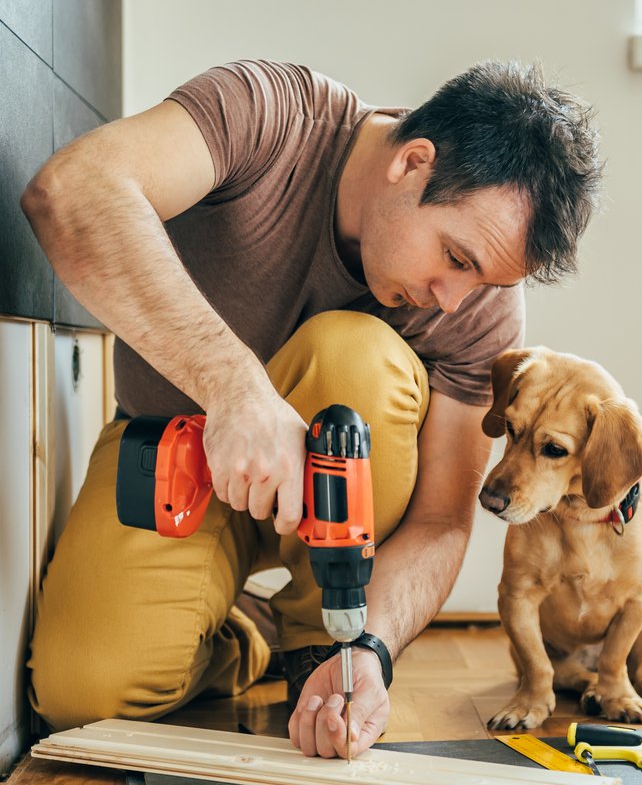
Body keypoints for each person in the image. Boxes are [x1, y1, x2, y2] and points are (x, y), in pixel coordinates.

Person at [21, 58, 601, 759]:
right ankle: (248, 634)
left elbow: (443, 520)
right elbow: (72, 190)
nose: (453, 298)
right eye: (454, 256)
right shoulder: (267, 114)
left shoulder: (480, 307)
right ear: (414, 162)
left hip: (340, 529)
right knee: (84, 696)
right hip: (175, 447)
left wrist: (374, 649)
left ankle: (320, 641)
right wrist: (236, 390)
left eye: (482, 280)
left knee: (356, 353)